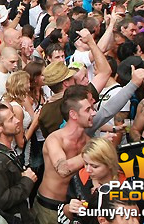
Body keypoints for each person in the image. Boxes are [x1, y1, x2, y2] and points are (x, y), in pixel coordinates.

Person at [36, 86, 95, 224]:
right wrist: (93, 152)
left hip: (74, 208)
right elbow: (63, 169)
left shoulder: (88, 142)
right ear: (73, 114)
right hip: (49, 208)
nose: (93, 113)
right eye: (88, 110)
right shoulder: (55, 139)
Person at [0, 103, 37, 223]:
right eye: (11, 119)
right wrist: (27, 181)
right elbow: (2, 200)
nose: (17, 121)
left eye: (15, 116)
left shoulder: (0, 150)